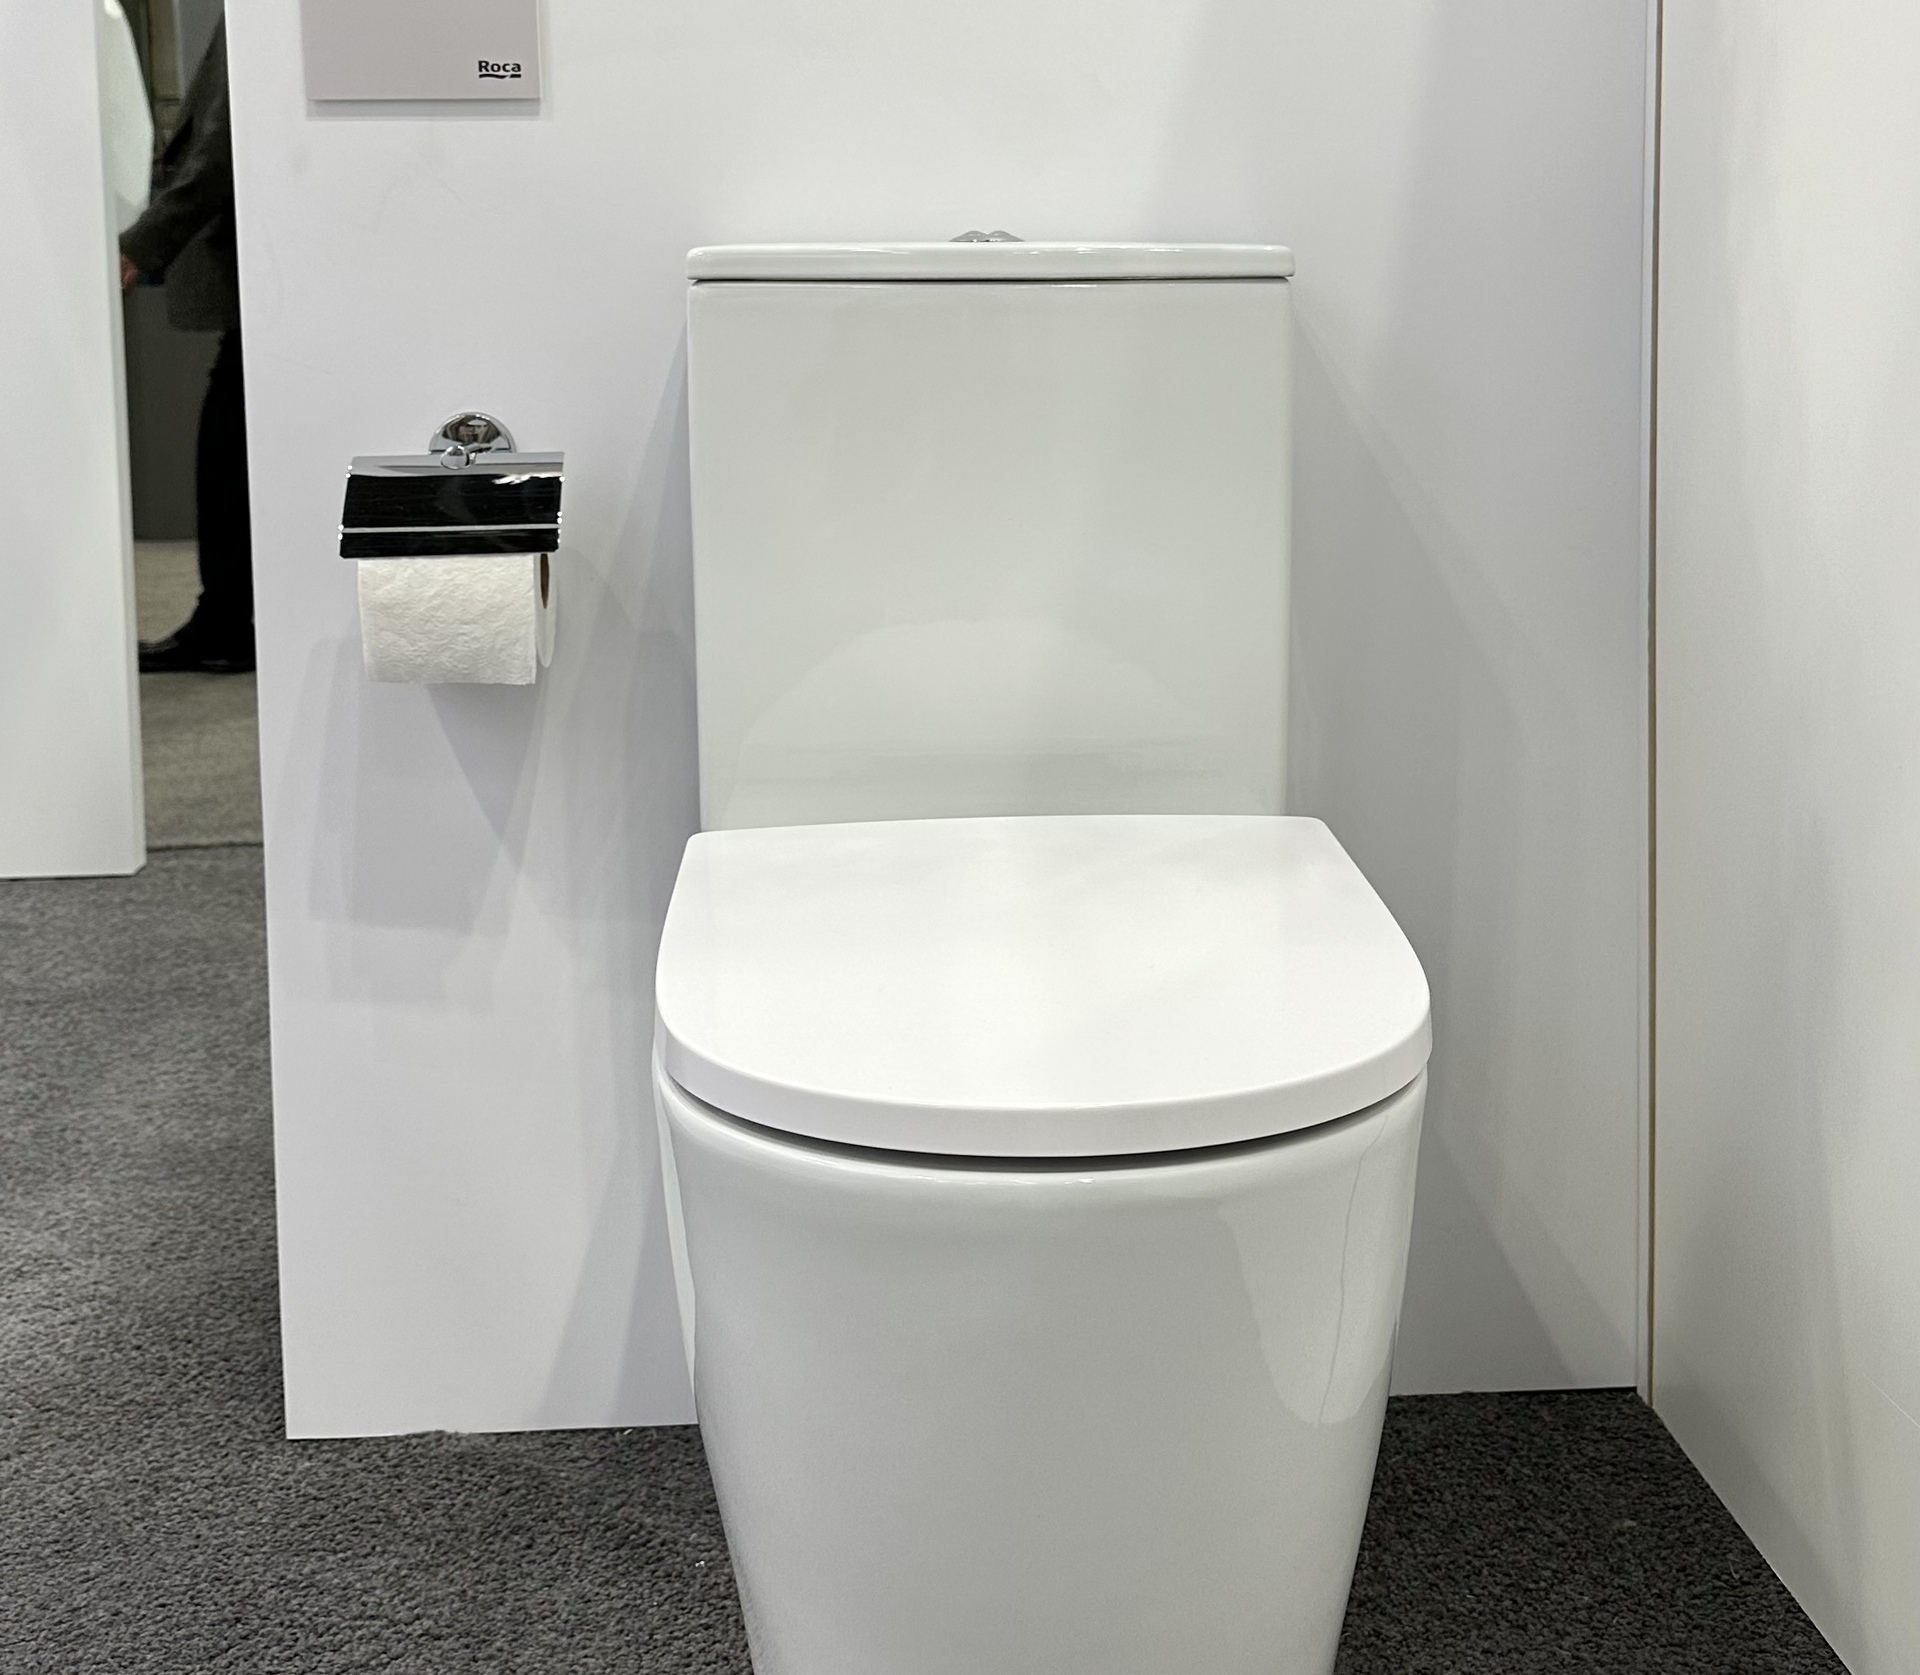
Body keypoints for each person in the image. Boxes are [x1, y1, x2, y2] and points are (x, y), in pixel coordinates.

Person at [120, 18, 253, 674]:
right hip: (260, 276)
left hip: (251, 274)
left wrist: (142, 246)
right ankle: (226, 617)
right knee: (232, 453)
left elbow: (219, 149)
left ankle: (225, 622)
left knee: (227, 456)